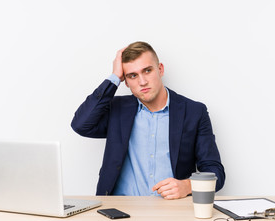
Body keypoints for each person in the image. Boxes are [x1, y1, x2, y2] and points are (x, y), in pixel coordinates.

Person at [71, 41, 225, 199]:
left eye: (147, 71)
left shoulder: (194, 112)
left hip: (172, 212)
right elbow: (81, 125)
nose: (142, 81)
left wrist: (187, 186)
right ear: (126, 81)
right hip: (119, 212)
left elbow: (215, 172)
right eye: (133, 75)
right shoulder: (117, 111)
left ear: (160, 69)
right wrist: (114, 77)